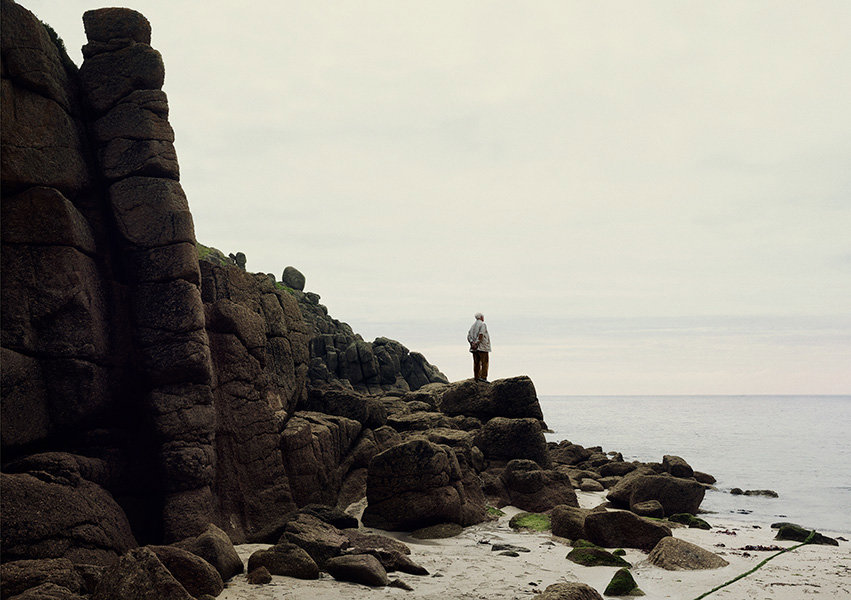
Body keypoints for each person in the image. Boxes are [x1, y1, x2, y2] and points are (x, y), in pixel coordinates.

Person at [467, 312, 491, 382]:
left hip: (474, 348)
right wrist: (477, 343)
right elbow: (481, 334)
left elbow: (468, 336)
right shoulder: (483, 324)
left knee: (476, 363)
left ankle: (476, 377)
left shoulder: (472, 326)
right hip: (482, 347)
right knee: (484, 362)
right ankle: (483, 377)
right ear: (481, 317)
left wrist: (472, 343)